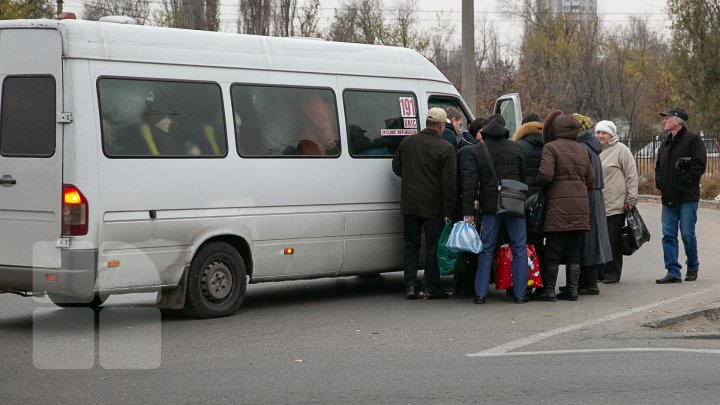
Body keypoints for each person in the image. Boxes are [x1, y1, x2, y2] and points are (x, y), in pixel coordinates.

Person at [462, 115, 529, 304]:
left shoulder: (477, 151)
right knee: (519, 247)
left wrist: (468, 211)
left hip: (490, 206)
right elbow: (523, 178)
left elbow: (470, 183)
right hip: (514, 203)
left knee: (486, 248)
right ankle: (520, 293)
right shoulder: (516, 148)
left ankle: (480, 294)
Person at [392, 108, 457, 299]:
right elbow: (449, 183)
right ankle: (430, 286)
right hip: (433, 207)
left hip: (410, 204)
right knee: (432, 246)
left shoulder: (407, 142)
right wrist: (449, 211)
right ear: (441, 126)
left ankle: (411, 285)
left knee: (411, 244)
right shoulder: (446, 148)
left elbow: (396, 167)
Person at [535, 110, 594, 301]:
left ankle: (549, 290)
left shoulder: (551, 148)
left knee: (553, 249)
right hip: (580, 207)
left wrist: (539, 184)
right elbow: (590, 180)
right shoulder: (582, 149)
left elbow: (546, 175)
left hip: (558, 206)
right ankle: (572, 290)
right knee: (573, 250)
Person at [655, 108, 707, 283]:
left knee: (687, 234)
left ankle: (692, 266)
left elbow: (699, 166)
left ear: (677, 121)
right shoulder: (665, 143)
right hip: (668, 197)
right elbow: (658, 167)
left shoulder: (693, 140)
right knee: (668, 235)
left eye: (667, 118)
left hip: (687, 197)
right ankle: (673, 272)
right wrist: (660, 182)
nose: (664, 121)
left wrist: (682, 182)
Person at [595, 119, 638, 284]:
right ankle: (599, 271)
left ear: (611, 134)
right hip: (598, 203)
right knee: (599, 240)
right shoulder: (594, 150)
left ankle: (613, 272)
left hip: (615, 204)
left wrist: (631, 198)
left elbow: (632, 176)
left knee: (613, 240)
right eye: (598, 132)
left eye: (604, 133)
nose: (600, 136)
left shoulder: (621, 150)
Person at [573, 114, 612, 295]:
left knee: (586, 239)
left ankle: (585, 283)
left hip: (587, 194)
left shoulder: (582, 147)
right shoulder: (592, 147)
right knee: (595, 238)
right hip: (595, 194)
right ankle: (590, 282)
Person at [453, 117, 487, 297]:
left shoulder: (469, 147)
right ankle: (464, 285)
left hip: (466, 203)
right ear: (476, 132)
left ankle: (464, 284)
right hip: (468, 204)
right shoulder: (469, 151)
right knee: (468, 247)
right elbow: (468, 180)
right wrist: (470, 206)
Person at [512, 113, 544, 262]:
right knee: (539, 242)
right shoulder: (547, 146)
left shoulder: (517, 146)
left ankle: (521, 279)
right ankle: (539, 280)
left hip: (521, 201)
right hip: (542, 201)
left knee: (520, 242)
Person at [135, 90, 200, 156]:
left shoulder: (150, 134)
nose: (169, 122)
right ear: (155, 121)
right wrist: (192, 154)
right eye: (165, 118)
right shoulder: (166, 142)